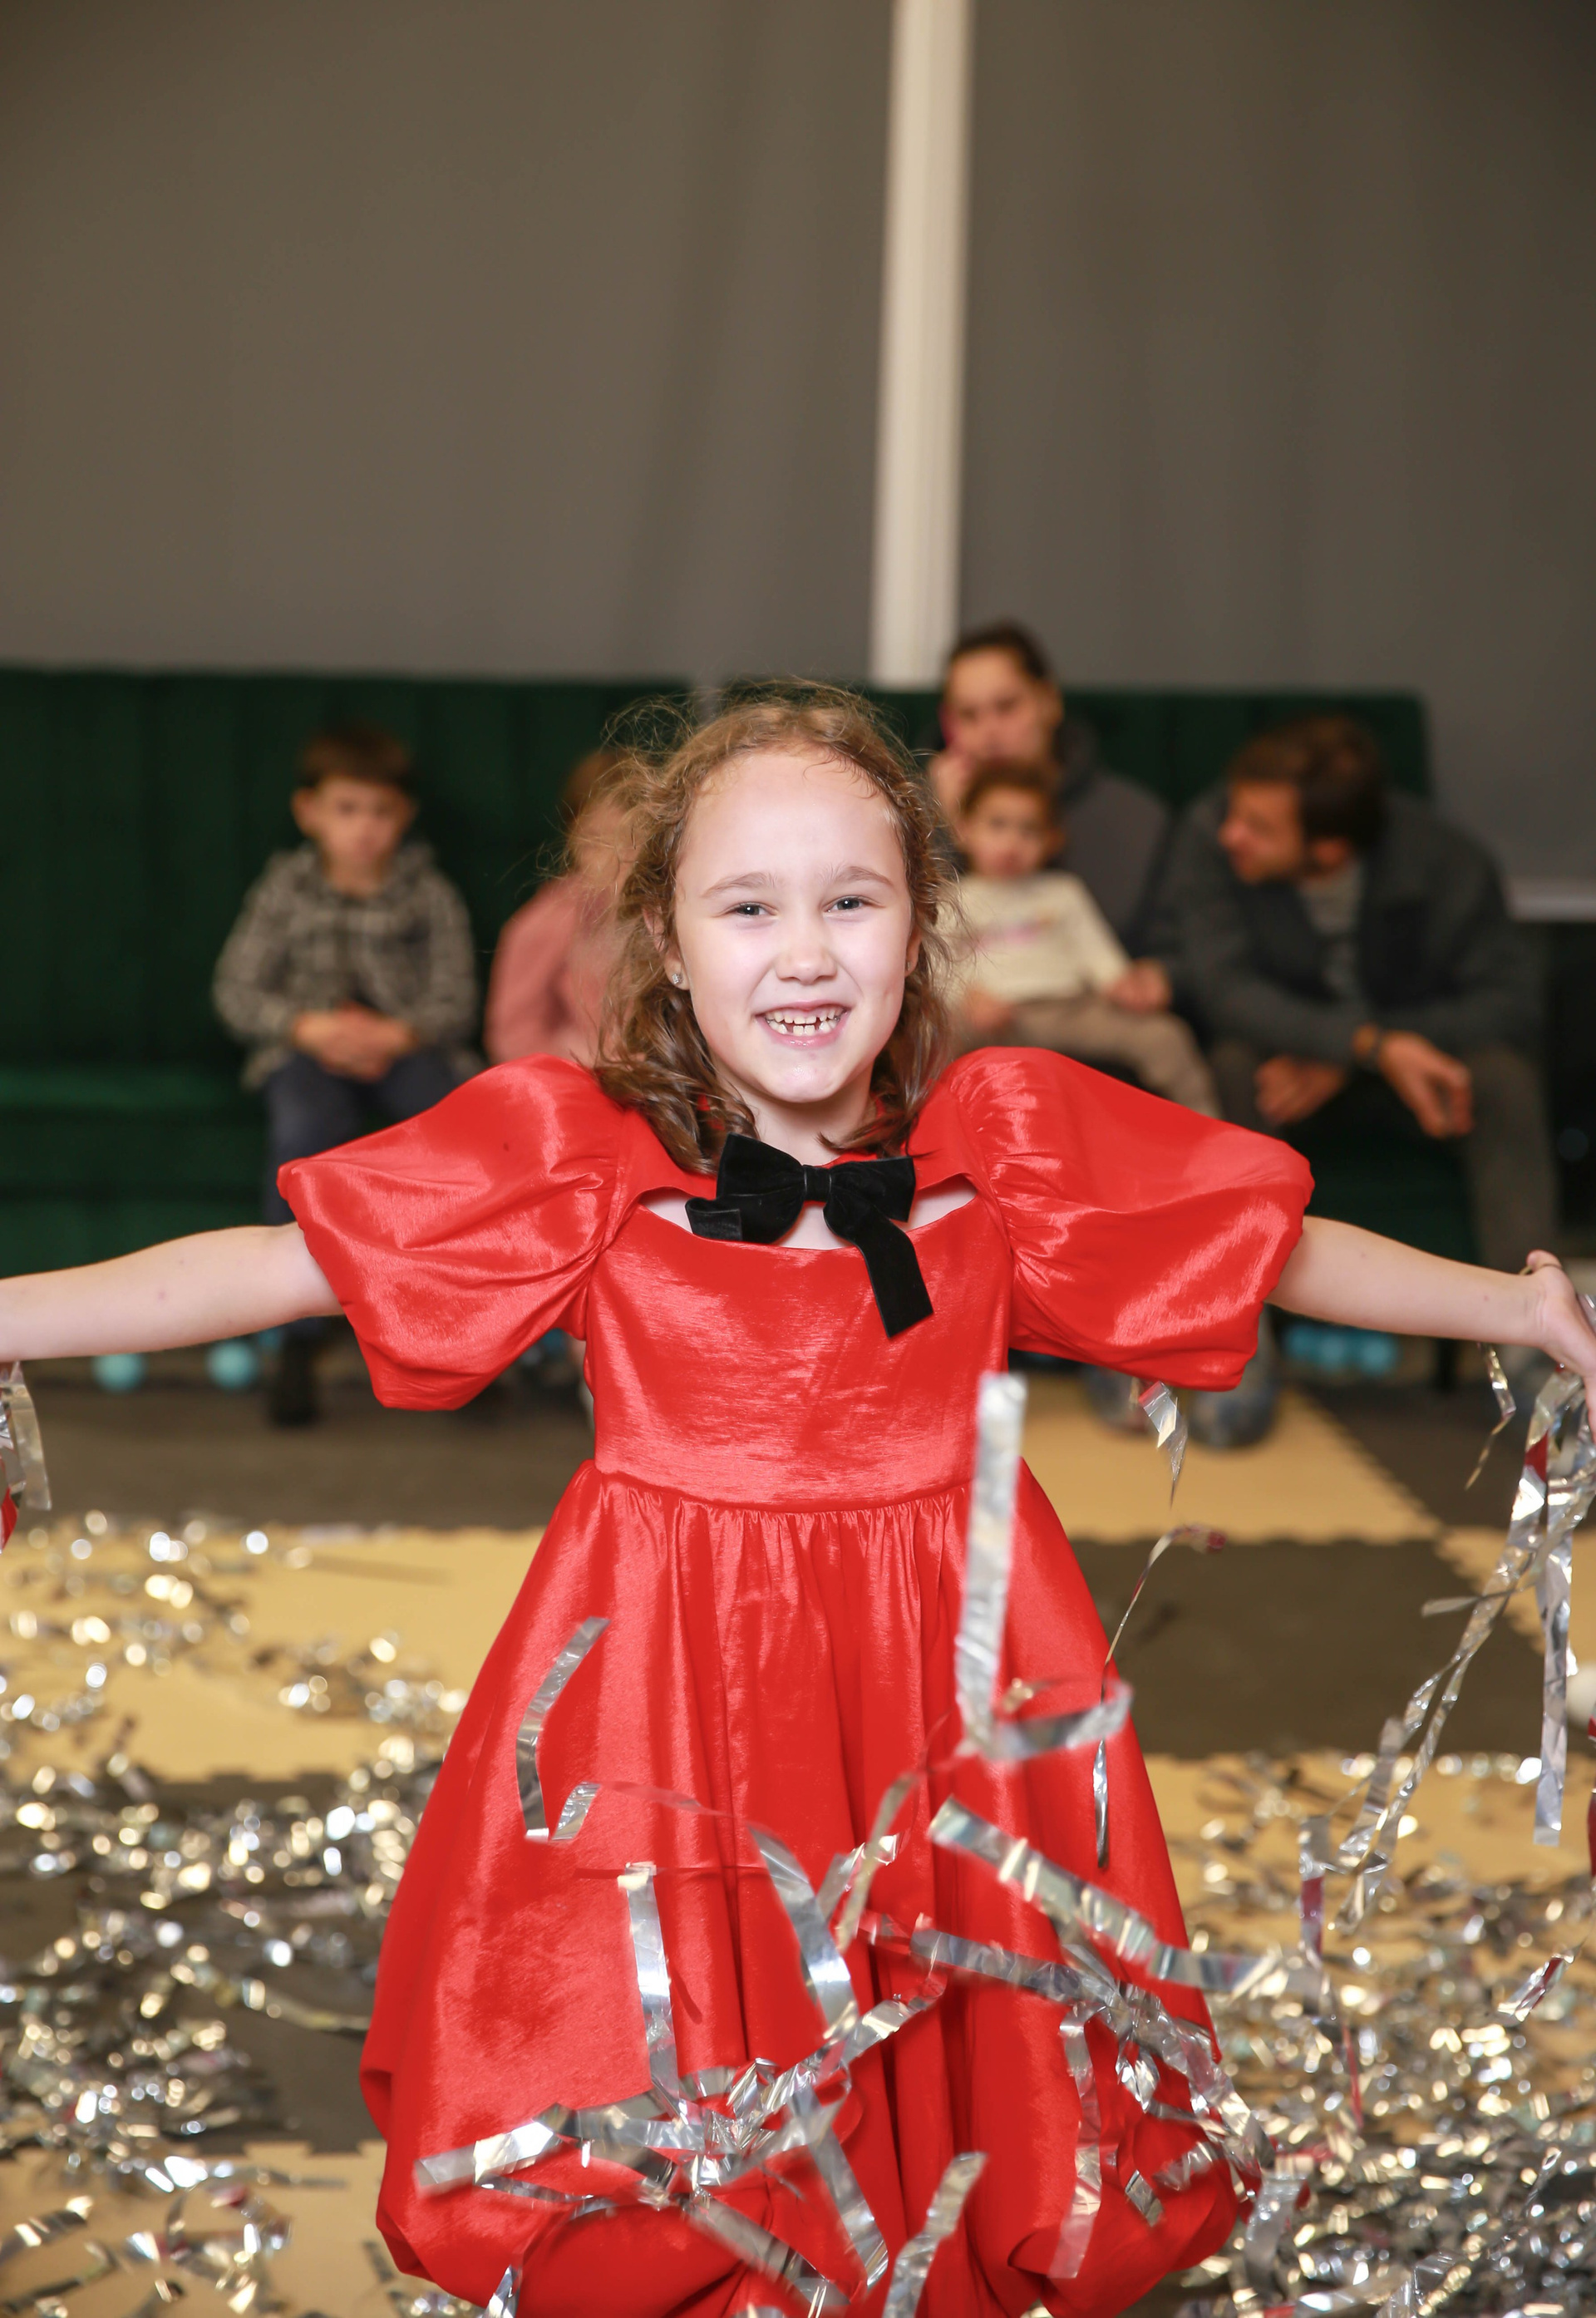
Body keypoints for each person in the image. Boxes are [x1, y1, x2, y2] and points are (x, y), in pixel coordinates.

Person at [6, 689, 1593, 2317]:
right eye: (749, 907)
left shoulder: (1004, 1156)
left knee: (946, 2047)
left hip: (944, 1680)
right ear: (668, 942)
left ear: (920, 923)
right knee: (695, 2052)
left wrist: (1517, 1303)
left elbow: (1270, 1245)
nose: (807, 951)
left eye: (852, 899)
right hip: (671, 1683)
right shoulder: (584, 1160)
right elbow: (280, 1265)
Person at [1150, 715, 1557, 1290]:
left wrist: (1364, 1053)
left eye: (1259, 827)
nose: (1231, 834)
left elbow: (1509, 1005)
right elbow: (1228, 992)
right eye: (1235, 812)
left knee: (1503, 1078)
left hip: (1415, 1074)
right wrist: (1365, 1046)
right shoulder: (1210, 835)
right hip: (1285, 1070)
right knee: (1229, 1067)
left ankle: (1531, 1311)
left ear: (1329, 849)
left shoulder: (1447, 863)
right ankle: (1240, 1312)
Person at [213, 721, 478, 1426]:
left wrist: (396, 1033)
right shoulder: (285, 889)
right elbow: (236, 989)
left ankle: (461, 1330)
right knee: (302, 1137)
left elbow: (456, 996)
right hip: (309, 1049)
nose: (364, 828)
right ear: (310, 813)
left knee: (455, 1137)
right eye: (346, 809)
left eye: (380, 811)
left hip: (406, 1048)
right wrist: (310, 1028)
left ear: (405, 816)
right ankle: (295, 1339)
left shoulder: (428, 893)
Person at [949, 762, 1219, 1116]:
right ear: (964, 830)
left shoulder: (1063, 891)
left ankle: (1207, 1128)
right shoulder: (951, 899)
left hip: (1071, 1009)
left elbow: (1096, 950)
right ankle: (922, 1136)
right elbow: (939, 966)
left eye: (1029, 830)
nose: (1012, 843)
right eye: (997, 825)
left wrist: (1120, 983)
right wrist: (966, 999)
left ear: (1053, 840)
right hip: (991, 1017)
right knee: (927, 1038)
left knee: (1163, 1036)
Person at [929, 619, 1169, 949]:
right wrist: (947, 829)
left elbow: (1171, 951)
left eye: (1006, 707)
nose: (989, 733)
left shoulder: (1135, 819)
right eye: (969, 715)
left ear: (1049, 702)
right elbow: (919, 943)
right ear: (949, 725)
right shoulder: (916, 816)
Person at [483, 749, 628, 1068]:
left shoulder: (675, 912)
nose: (616, 860)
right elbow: (513, 1031)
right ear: (572, 839)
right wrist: (577, 1073)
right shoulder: (552, 919)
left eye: (631, 840)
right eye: (597, 842)